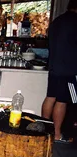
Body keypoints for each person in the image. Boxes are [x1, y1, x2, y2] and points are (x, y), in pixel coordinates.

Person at [41, 0, 77, 143]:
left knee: (50, 97)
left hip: (54, 66)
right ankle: (56, 134)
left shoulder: (57, 21)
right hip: (68, 68)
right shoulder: (75, 22)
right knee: (62, 101)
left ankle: (44, 130)